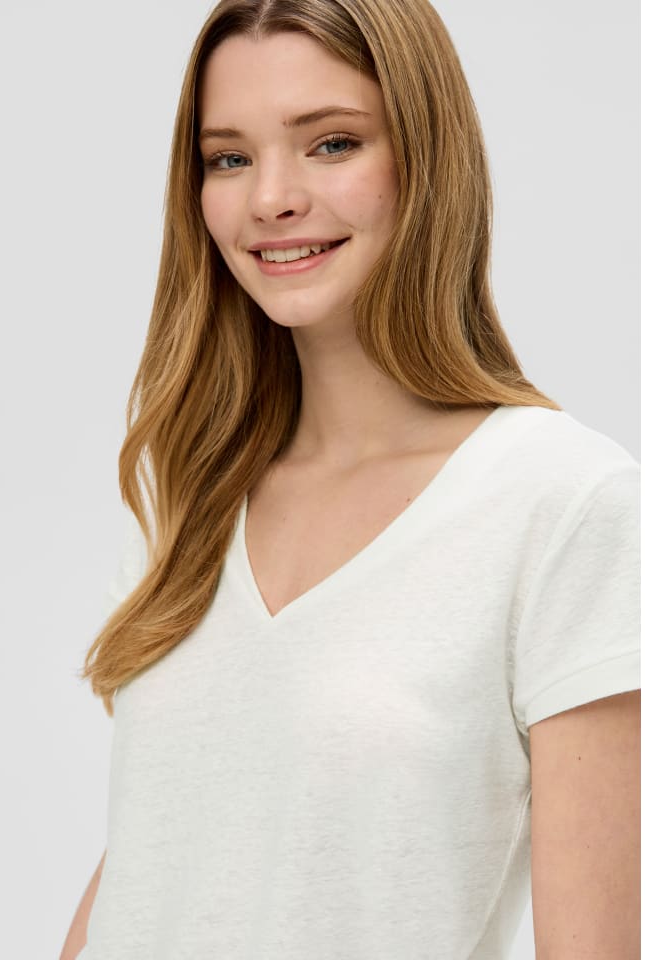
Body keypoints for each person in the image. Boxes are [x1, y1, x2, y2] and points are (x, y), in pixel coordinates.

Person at [61, 1, 640, 957]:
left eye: (331, 143)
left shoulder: (564, 503)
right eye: (228, 157)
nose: (270, 199)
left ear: (428, 157)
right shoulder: (189, 486)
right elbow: (157, 856)